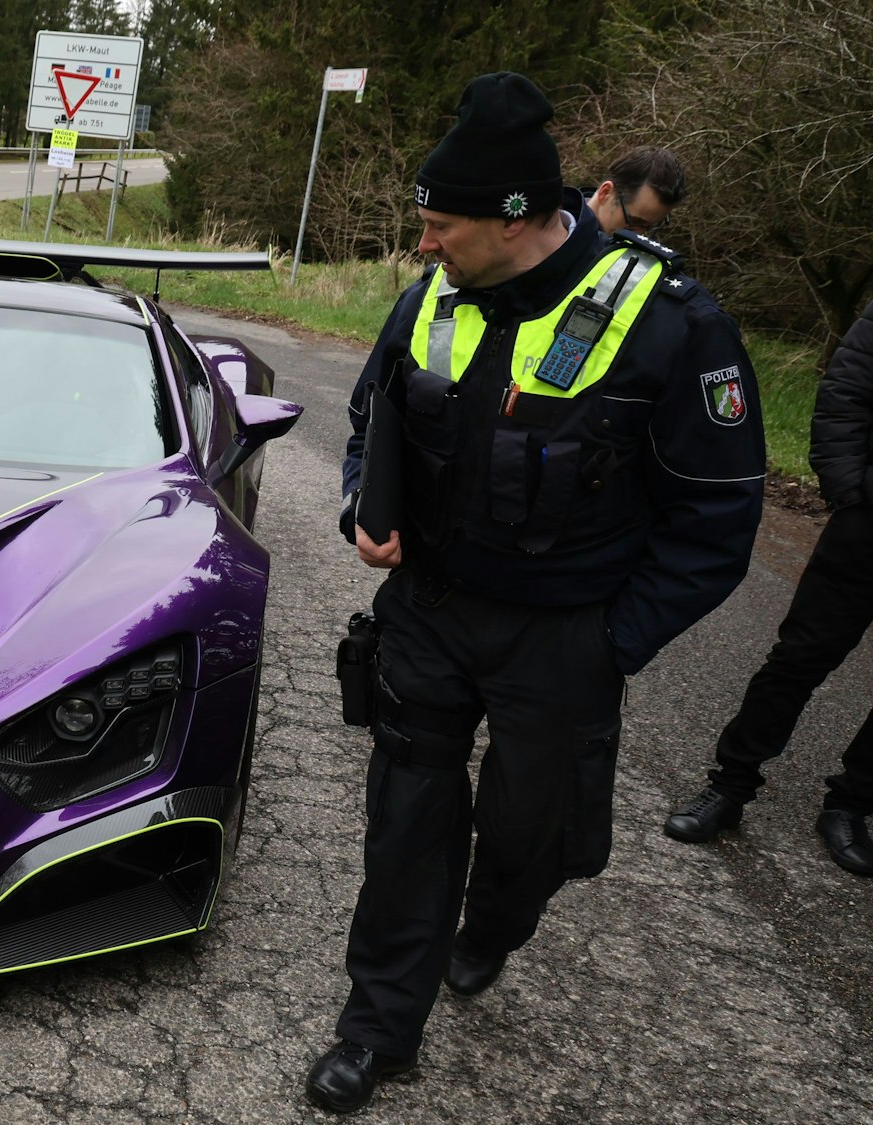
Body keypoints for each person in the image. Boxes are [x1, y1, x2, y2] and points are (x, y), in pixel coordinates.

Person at [310, 73, 765, 1114]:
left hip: (564, 634)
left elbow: (717, 517)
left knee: (529, 839)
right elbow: (368, 423)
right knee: (406, 821)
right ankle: (378, 1026)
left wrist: (613, 642)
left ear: (513, 221)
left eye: (437, 226)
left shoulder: (670, 323)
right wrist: (356, 511)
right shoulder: (425, 296)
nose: (422, 246)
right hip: (427, 613)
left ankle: (492, 928)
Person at [663, 297, 873, 876]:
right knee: (801, 656)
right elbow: (847, 392)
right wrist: (850, 490)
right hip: (867, 526)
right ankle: (730, 787)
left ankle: (852, 804)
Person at [587, 145, 688, 236]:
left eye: (648, 227)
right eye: (634, 222)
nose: (639, 235)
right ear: (605, 193)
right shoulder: (571, 234)